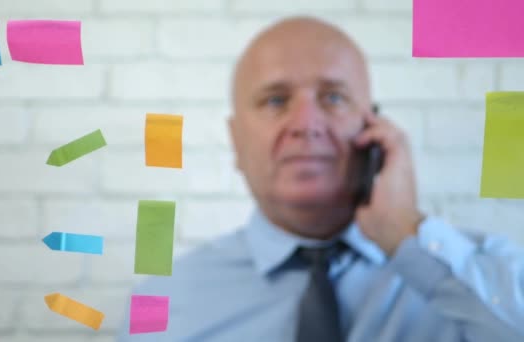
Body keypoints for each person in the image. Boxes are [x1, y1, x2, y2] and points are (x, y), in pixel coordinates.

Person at [118, 16, 524, 341]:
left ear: (376, 127)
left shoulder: (484, 273)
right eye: (275, 100)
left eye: (333, 97)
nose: (306, 124)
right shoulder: (165, 304)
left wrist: (406, 232)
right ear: (235, 140)